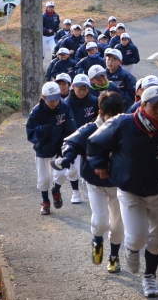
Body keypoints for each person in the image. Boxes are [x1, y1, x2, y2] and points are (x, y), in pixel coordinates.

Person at [87, 86, 158, 298]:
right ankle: (131, 248)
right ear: (143, 105)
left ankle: (150, 277)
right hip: (130, 191)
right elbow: (95, 142)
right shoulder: (123, 124)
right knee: (137, 237)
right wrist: (100, 163)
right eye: (155, 106)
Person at [54, 92, 126, 273]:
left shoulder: (126, 128)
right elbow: (71, 143)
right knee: (101, 222)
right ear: (101, 112)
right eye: (112, 115)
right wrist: (67, 157)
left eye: (119, 114)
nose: (115, 119)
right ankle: (97, 239)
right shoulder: (90, 129)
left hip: (119, 184)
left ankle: (114, 257)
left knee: (118, 225)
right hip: (95, 183)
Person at [26, 81, 76, 215]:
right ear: (43, 98)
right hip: (42, 148)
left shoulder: (64, 107)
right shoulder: (36, 111)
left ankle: (56, 190)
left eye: (56, 99)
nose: (54, 103)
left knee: (61, 174)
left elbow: (71, 128)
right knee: (44, 178)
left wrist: (67, 144)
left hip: (59, 147)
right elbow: (30, 132)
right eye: (50, 101)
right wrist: (41, 130)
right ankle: (45, 201)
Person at [62, 74, 99, 203]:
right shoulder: (66, 103)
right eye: (79, 88)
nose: (82, 92)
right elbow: (67, 124)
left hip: (91, 139)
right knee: (73, 170)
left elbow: (98, 118)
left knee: (90, 165)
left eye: (85, 88)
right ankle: (75, 191)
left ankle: (86, 182)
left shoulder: (94, 101)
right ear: (72, 87)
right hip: (74, 139)